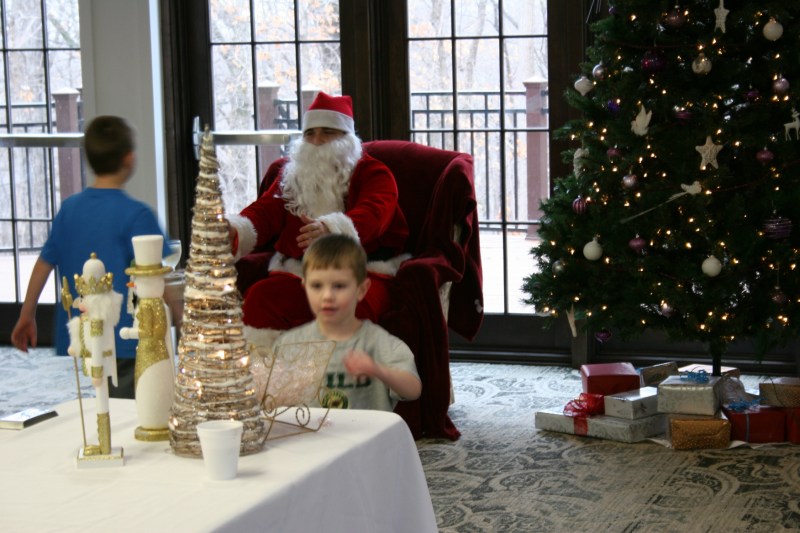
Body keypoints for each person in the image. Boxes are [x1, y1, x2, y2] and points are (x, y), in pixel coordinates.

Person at [228, 91, 409, 351]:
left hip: (363, 271)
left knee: (355, 306)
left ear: (347, 138)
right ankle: (268, 379)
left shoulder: (374, 173)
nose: (317, 141)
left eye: (327, 132)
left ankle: (345, 385)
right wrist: (234, 229)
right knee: (261, 298)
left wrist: (332, 230)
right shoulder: (292, 177)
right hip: (303, 273)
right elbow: (264, 211)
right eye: (309, 133)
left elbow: (375, 213)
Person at [11, 115, 170, 399]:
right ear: (129, 159)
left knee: (87, 408)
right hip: (123, 341)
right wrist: (183, 321)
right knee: (131, 410)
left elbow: (43, 265)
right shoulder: (137, 215)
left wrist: (27, 315)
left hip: (79, 339)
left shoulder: (69, 209)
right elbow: (161, 277)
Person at [274, 234, 421, 411]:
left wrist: (378, 370)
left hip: (368, 436)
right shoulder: (289, 344)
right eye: (317, 286)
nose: (327, 296)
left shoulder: (378, 343)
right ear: (305, 286)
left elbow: (413, 390)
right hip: (315, 437)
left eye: (339, 286)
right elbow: (273, 402)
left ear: (361, 290)